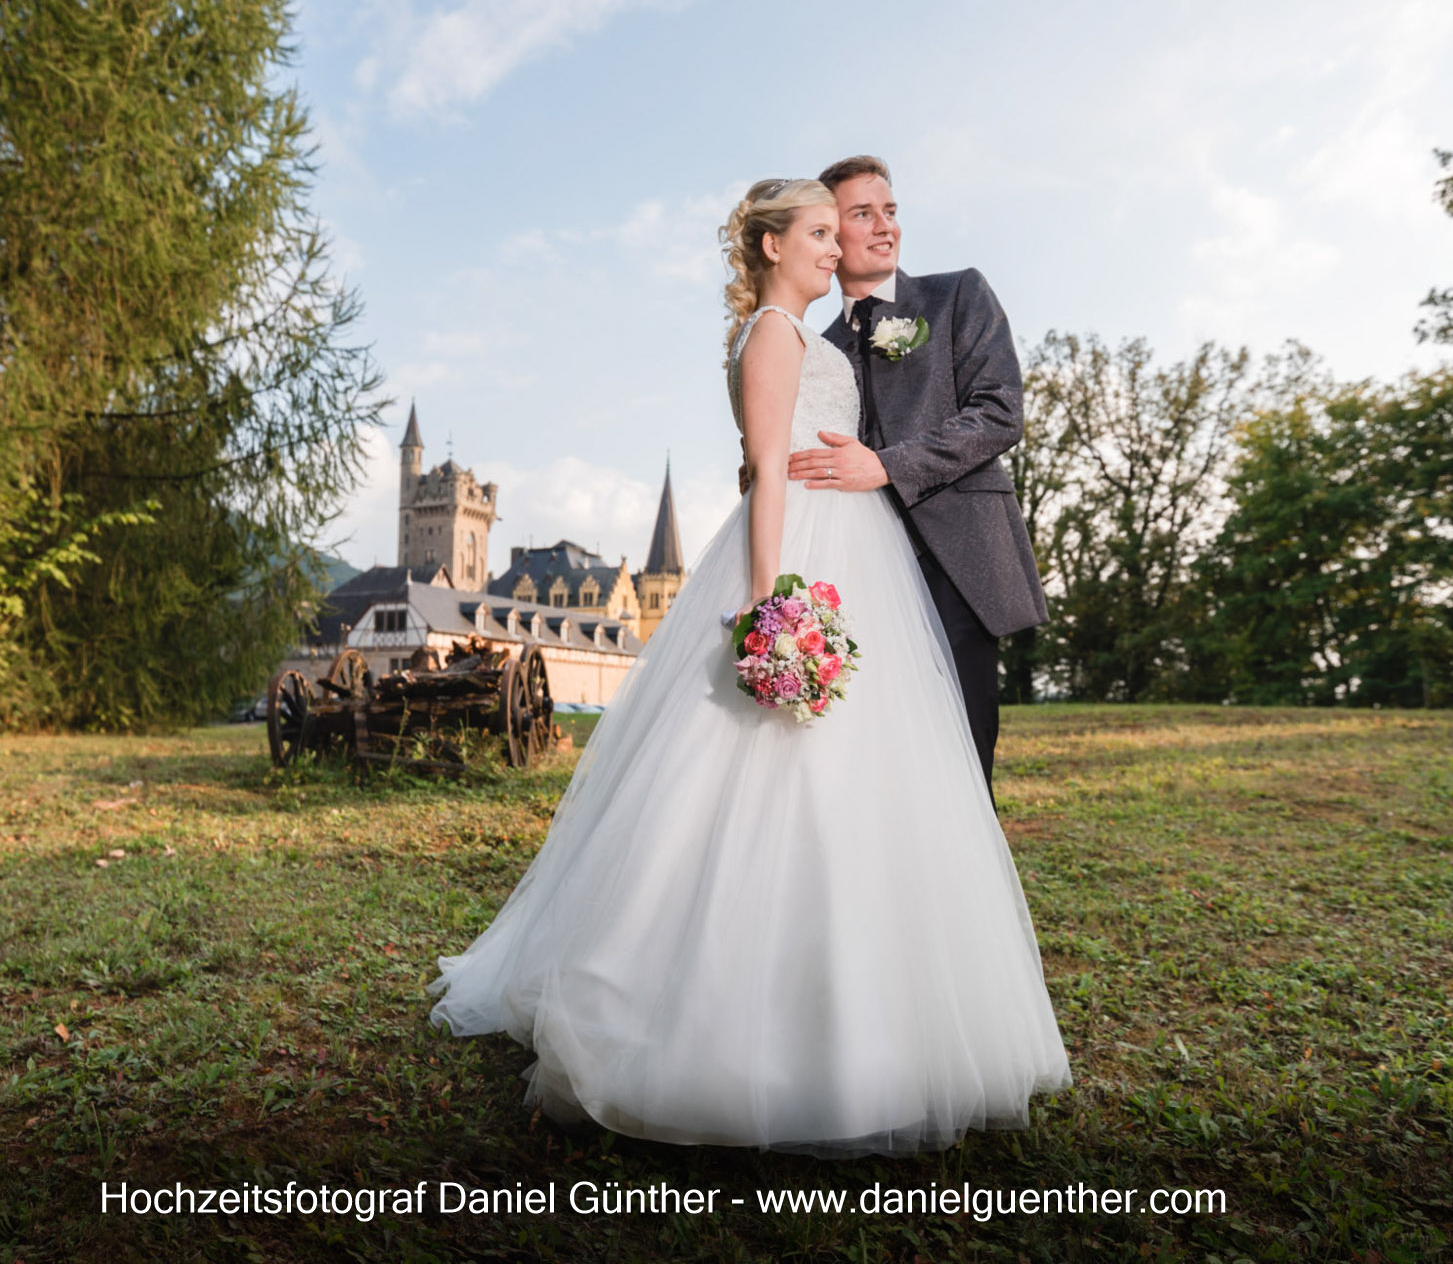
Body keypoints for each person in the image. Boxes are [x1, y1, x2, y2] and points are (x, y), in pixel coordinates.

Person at [425, 178, 1069, 1157]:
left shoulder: (813, 334)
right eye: (816, 230)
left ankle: (862, 1008)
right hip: (806, 548)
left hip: (860, 548)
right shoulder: (772, 333)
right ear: (770, 245)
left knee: (858, 784)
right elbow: (766, 469)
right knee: (764, 778)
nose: (833, 244)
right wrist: (774, 604)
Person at [779, 155, 1047, 789]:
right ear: (827, 233)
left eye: (891, 211)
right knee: (883, 764)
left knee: (964, 758)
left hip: (964, 562)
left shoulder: (958, 294)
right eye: (862, 214)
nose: (885, 227)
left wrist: (886, 465)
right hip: (863, 575)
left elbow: (1000, 412)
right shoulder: (816, 350)